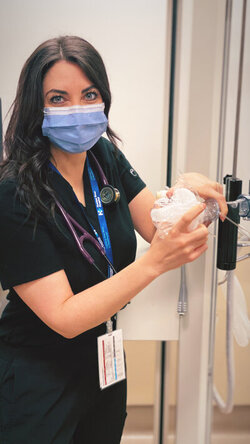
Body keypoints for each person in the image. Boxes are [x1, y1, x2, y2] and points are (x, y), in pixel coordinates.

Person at [0, 36, 227, 444]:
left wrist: (191, 193)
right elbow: (65, 318)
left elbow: (163, 231)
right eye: (58, 98)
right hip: (38, 375)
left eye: (89, 95)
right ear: (37, 106)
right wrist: (154, 263)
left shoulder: (104, 157)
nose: (77, 110)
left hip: (104, 364)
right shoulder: (13, 191)